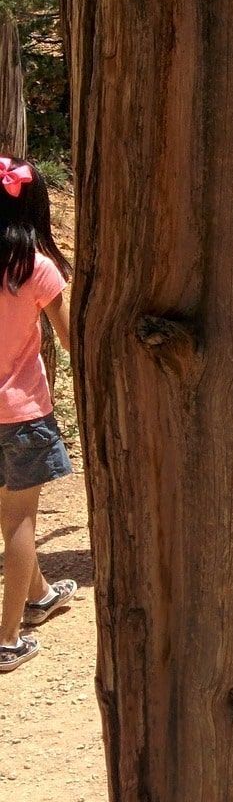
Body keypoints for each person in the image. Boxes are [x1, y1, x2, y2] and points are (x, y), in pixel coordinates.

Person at [0, 158, 76, 674]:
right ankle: (8, 639)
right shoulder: (36, 268)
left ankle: (43, 594)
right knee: (21, 519)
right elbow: (72, 340)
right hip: (20, 412)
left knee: (7, 513)